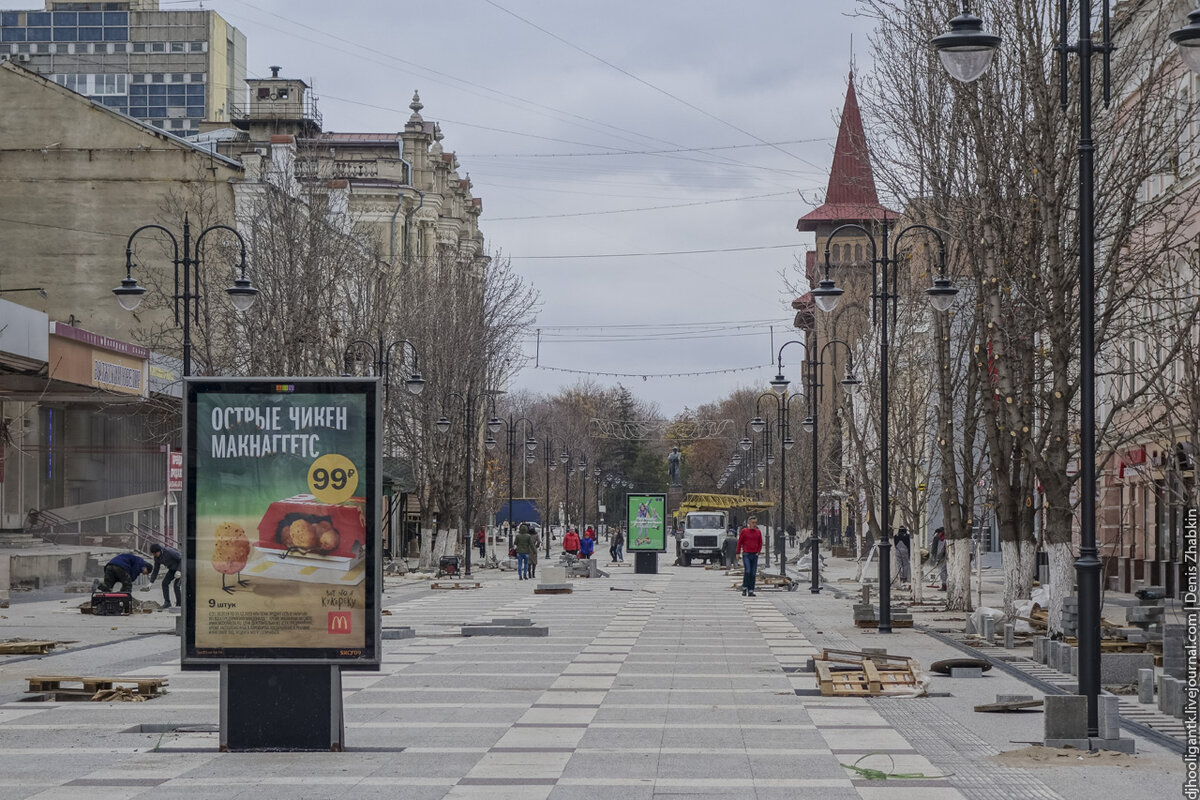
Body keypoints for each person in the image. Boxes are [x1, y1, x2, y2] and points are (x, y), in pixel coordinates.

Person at [148, 543, 182, 610]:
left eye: (155, 553)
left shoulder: (169, 552)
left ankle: (179, 604)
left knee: (176, 586)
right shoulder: (156, 557)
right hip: (172, 570)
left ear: (159, 551)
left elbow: (182, 559)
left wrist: (179, 570)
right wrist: (151, 582)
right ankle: (167, 603)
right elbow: (156, 569)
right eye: (153, 554)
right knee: (164, 583)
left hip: (182, 568)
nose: (154, 555)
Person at [735, 516, 763, 596]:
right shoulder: (744, 531)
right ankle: (744, 588)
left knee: (753, 573)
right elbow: (739, 542)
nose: (754, 524)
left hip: (754, 554)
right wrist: (738, 553)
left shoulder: (758, 532)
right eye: (753, 523)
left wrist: (758, 551)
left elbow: (760, 542)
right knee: (748, 571)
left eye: (755, 523)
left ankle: (751, 590)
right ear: (749, 523)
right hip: (746, 554)